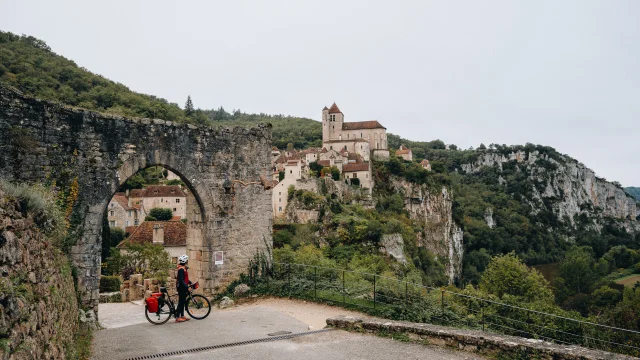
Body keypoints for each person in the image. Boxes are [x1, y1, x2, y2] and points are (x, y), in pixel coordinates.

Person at [175, 254, 192, 323]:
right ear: (185, 261)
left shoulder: (183, 268)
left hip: (183, 286)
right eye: (187, 260)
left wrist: (190, 282)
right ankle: (177, 317)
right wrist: (187, 287)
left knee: (183, 302)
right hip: (181, 287)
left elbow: (185, 279)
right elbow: (181, 280)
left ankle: (182, 315)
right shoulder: (181, 269)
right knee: (181, 302)